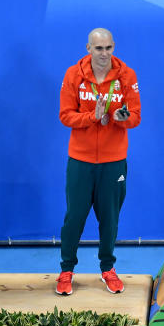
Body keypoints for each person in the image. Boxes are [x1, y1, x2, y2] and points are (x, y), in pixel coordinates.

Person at [56, 28, 141, 296]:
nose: (104, 54)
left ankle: (108, 269)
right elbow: (65, 116)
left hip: (113, 161)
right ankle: (66, 270)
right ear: (88, 48)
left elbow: (135, 117)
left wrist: (120, 117)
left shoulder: (127, 75)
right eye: (98, 48)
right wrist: (93, 116)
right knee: (74, 218)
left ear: (113, 47)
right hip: (81, 160)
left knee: (110, 219)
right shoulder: (74, 75)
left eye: (108, 48)